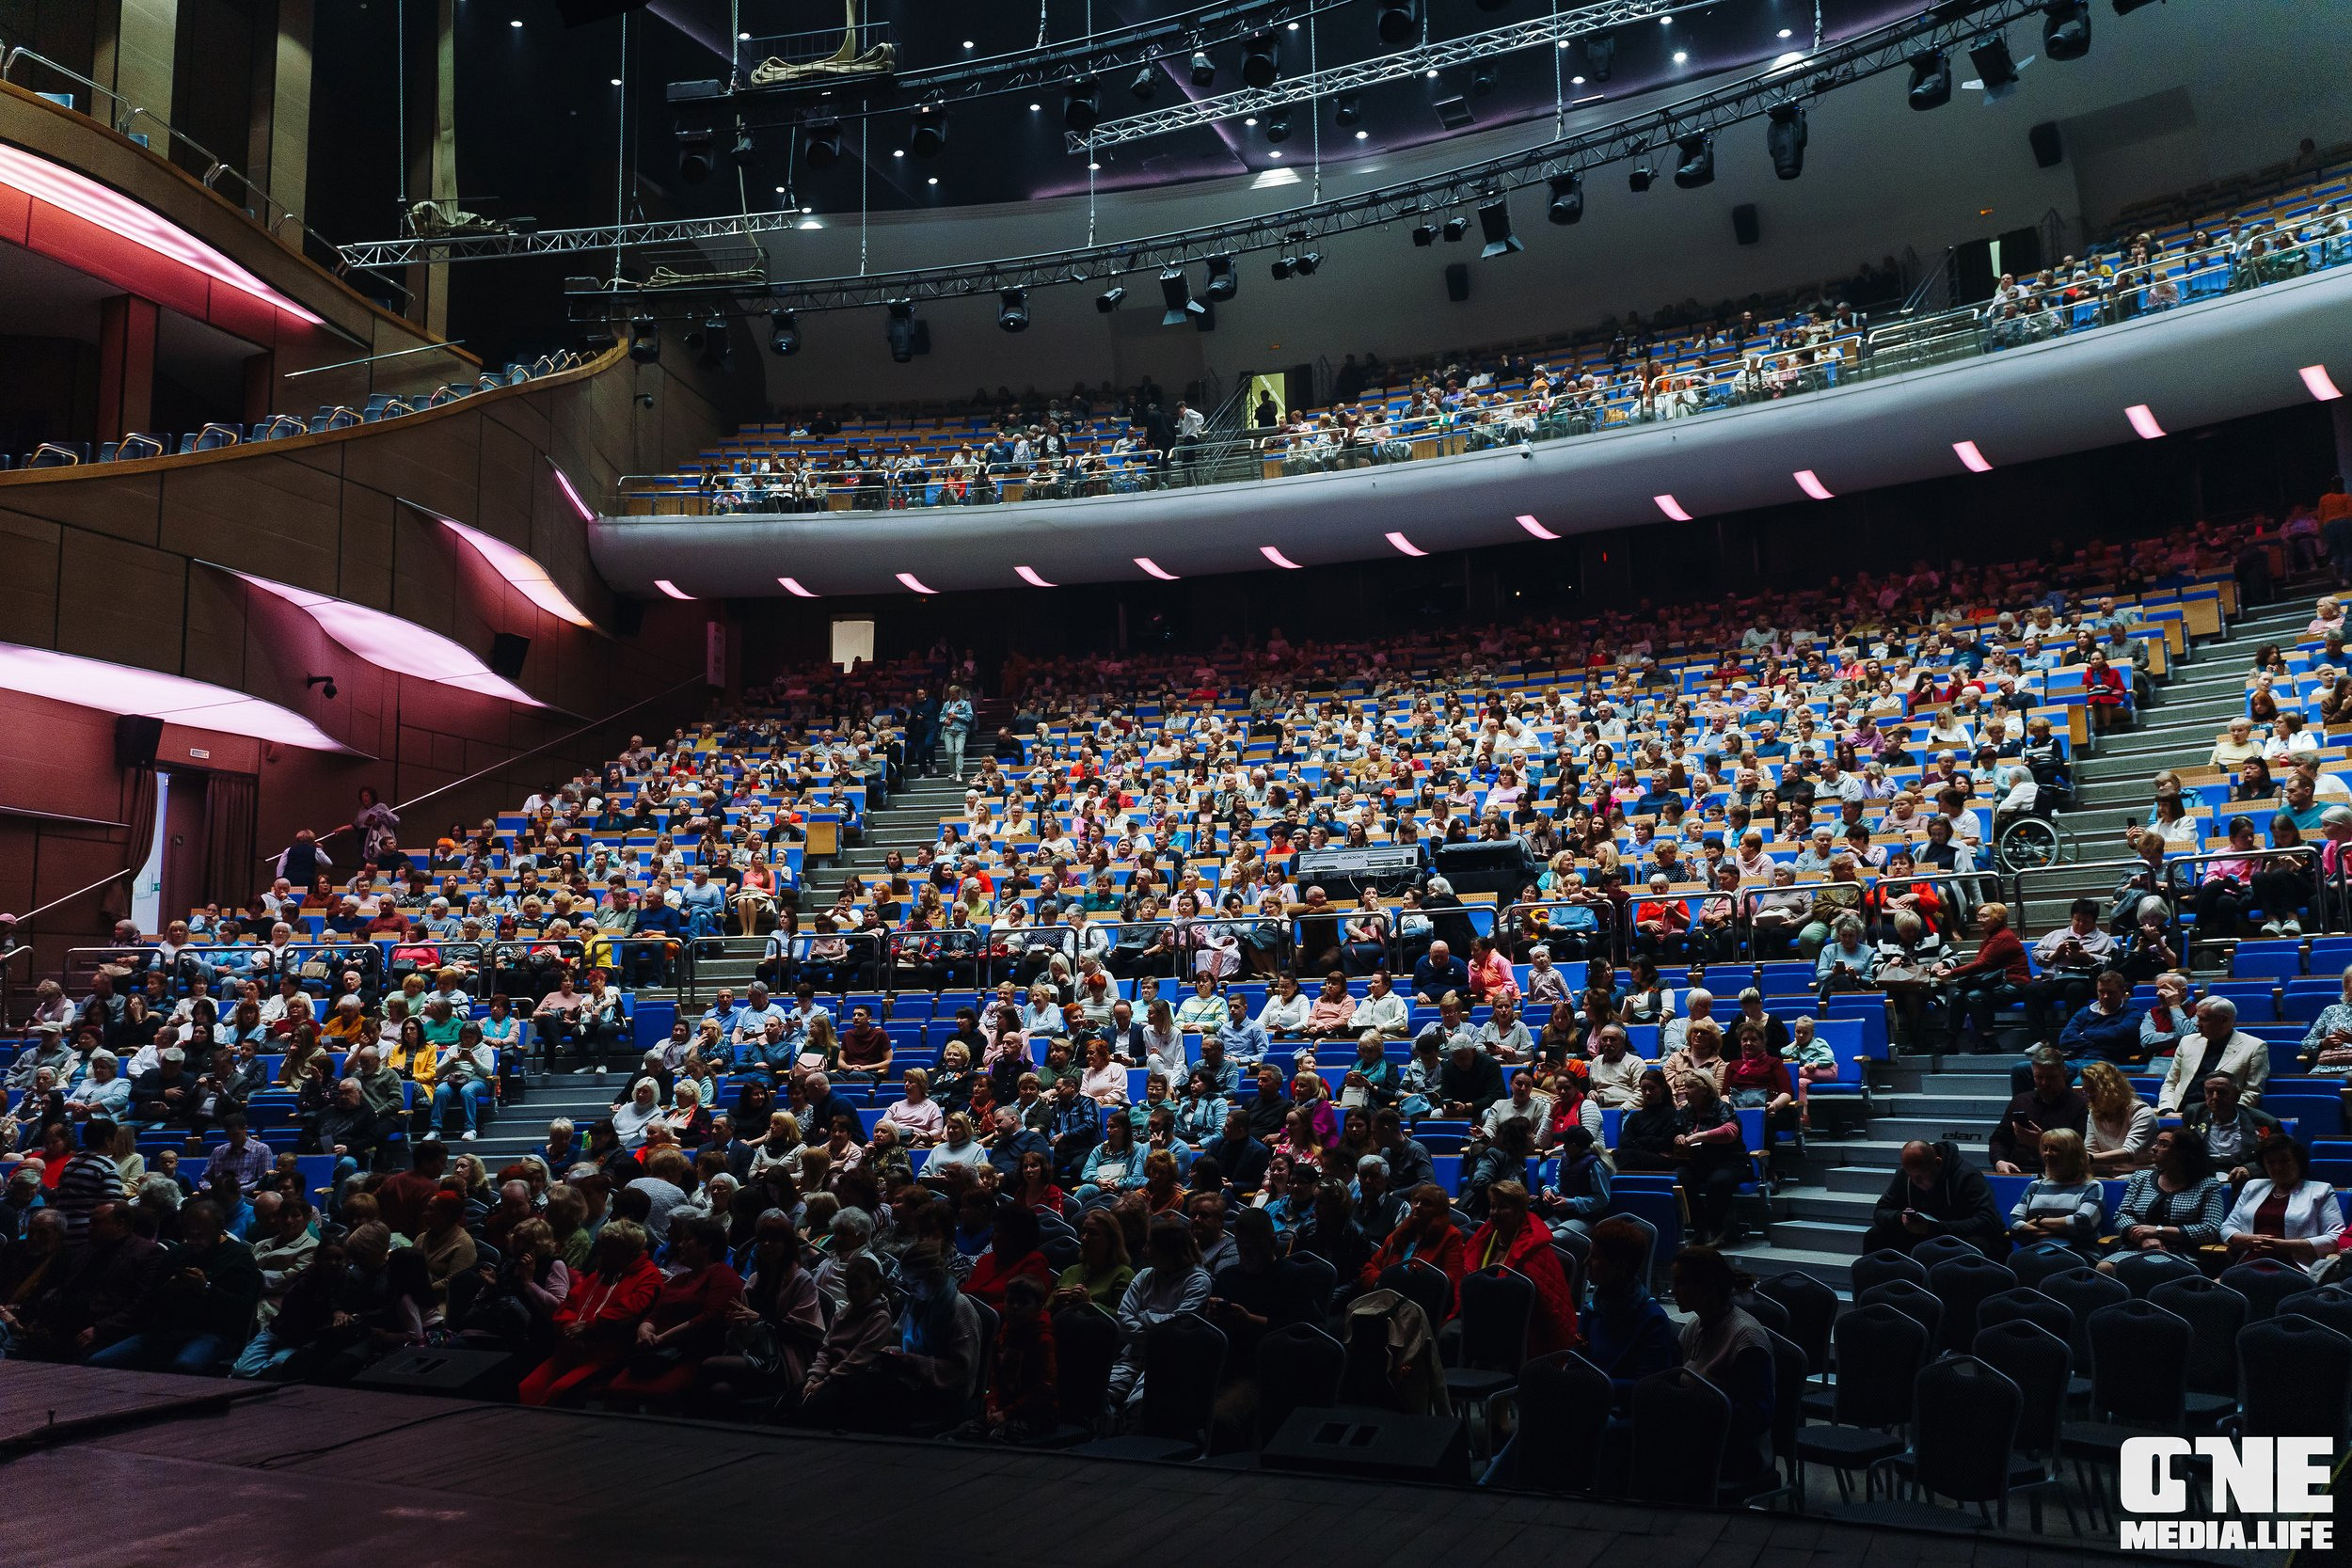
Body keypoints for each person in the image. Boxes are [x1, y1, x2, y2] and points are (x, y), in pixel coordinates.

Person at [1669, 1246, 1776, 1492]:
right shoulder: (1694, 1327)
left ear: (1707, 1287)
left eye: (1680, 1283)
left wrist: (1693, 1418)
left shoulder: (1746, 1339)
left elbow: (1753, 1418)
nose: (1673, 1291)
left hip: (1738, 1452)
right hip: (1699, 1438)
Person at [1454, 1180, 1580, 1354]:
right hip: (1479, 1313)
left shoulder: (1535, 1250)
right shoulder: (1484, 1238)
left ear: (1520, 1212)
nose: (1495, 1213)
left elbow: (1551, 1307)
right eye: (1493, 1206)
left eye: (1503, 1207)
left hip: (1519, 1325)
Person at [1104, 1217, 1212, 1418]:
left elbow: (1178, 1325)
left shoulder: (1198, 1281)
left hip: (1169, 1360)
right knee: (1103, 1394)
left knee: (1139, 1404)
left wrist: (1143, 1315)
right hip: (1133, 1357)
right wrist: (1158, 1328)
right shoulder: (1144, 1275)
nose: (1144, 1251)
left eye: (1150, 1245)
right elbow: (1123, 1321)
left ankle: (1131, 1448)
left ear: (1169, 1251)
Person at [2220, 1136, 2346, 1279]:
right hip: (2248, 1263)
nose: (2278, 1167)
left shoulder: (2320, 1191)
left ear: (2299, 1162)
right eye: (2271, 1162)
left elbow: (2335, 1237)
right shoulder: (2253, 1186)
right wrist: (2246, 1239)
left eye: (2284, 1161)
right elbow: (2228, 1226)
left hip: (2296, 1268)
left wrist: (2284, 1245)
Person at [2102, 1129, 2229, 1269]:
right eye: (2156, 1143)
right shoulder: (2141, 1178)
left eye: (2163, 1144)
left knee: (2163, 1270)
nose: (2154, 1148)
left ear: (2182, 1153)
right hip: (2139, 1248)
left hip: (2186, 1253)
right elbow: (2122, 1215)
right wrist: (2145, 1237)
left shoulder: (2207, 1185)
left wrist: (2158, 1231)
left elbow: (2210, 1229)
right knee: (2105, 1267)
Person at [1864, 1138, 2007, 1258]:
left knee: (1974, 1245)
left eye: (1920, 1176)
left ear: (1938, 1163)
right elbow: (1881, 1210)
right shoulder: (1906, 1175)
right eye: (1911, 1176)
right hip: (1925, 1234)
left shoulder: (1968, 1176)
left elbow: (1986, 1221)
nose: (1916, 1182)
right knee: (1875, 1236)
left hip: (1958, 1235)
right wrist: (1900, 1219)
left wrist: (1934, 1228)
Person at [2154, 995, 2270, 1113]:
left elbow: (2252, 1092)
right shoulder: (2187, 1041)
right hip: (2179, 1113)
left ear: (2224, 1020)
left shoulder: (2254, 1047)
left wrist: (2222, 1116)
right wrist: (2167, 1110)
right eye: (2197, 1018)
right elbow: (2171, 1082)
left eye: (2203, 1019)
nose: (2197, 1024)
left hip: (2221, 1118)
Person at [1989, 1049, 2090, 1175]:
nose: (2044, 1083)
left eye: (2051, 1078)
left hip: (2060, 1175)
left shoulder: (2080, 1106)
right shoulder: (2020, 1101)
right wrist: (1999, 1161)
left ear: (2064, 1074)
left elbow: (2079, 1154)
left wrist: (2042, 1142)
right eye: (2039, 1077)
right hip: (2017, 1171)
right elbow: (1998, 1140)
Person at [2005, 1129, 2105, 1256]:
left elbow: (2083, 1222)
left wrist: (2039, 1221)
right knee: (2017, 1260)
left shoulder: (2091, 1187)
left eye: (2055, 1149)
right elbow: (2015, 1221)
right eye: (2045, 1148)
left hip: (2078, 1251)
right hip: (2037, 1249)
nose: (2047, 1153)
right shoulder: (2035, 1186)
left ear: (2073, 1154)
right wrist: (2050, 1230)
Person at [1359, 1181, 1466, 1295]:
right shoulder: (1402, 1233)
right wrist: (1383, 1282)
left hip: (1421, 1304)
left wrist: (1412, 1284)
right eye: (1416, 1201)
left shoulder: (1451, 1236)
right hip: (1385, 1298)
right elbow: (1369, 1268)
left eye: (1426, 1203)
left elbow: (1451, 1282)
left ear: (1439, 1211)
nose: (1418, 1206)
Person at [2180, 1072, 2283, 1183]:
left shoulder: (2264, 1122)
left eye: (2222, 1092)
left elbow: (2278, 1158)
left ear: (2237, 1095)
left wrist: (2250, 1169)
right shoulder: (2194, 1113)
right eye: (2209, 1092)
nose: (2214, 1097)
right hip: (2204, 1177)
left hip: (2244, 1181)